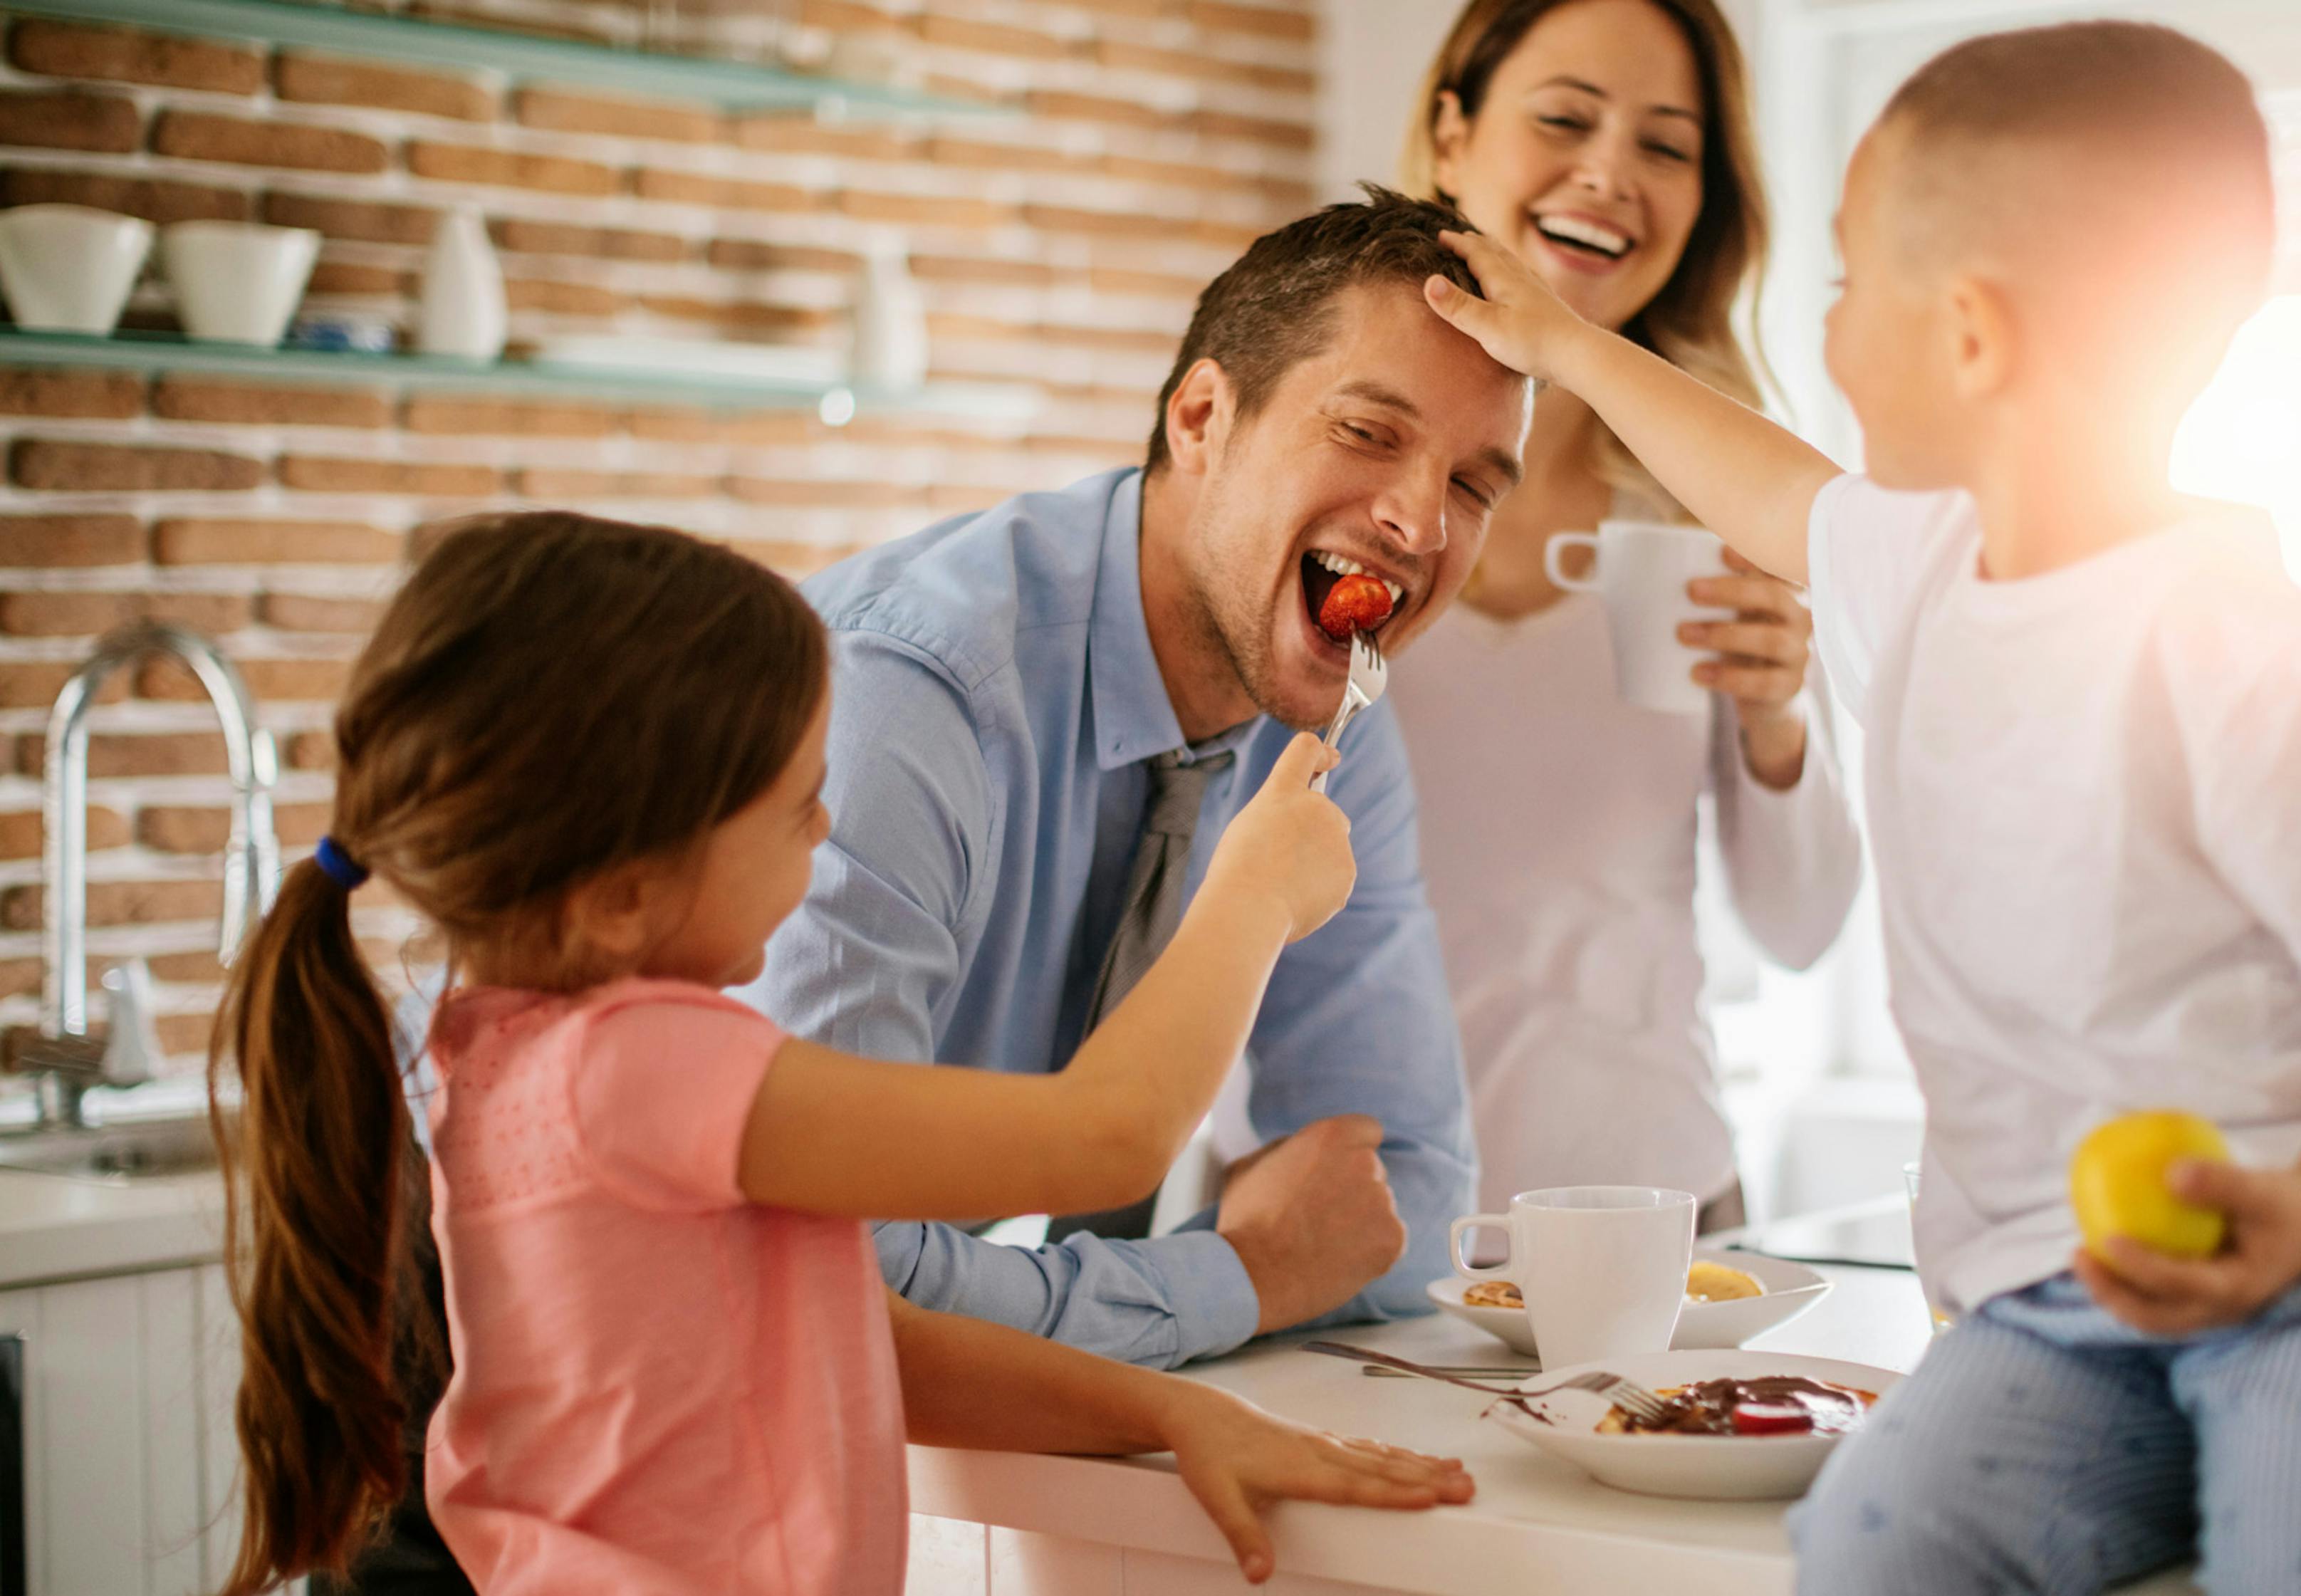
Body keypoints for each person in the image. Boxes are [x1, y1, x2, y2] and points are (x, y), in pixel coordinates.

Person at [1422, 21, 2301, 1594]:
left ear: (1966, 336)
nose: (1820, 336)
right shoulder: (1925, 571)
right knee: (1880, 1539)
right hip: (2054, 1302)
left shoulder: (2242, 648)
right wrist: (1559, 345)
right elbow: (1745, 470)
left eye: (1841, 287)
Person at [209, 512, 1474, 1596]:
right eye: (795, 800)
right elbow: (1112, 1129)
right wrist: (1249, 893)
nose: (827, 824)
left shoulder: (500, 1058)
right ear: (621, 893)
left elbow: (854, 1329)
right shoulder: (649, 1067)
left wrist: (1175, 1412)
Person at [739, 191, 1525, 1365]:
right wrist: (1235, 1276)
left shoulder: (1334, 724)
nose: (1420, 521)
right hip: (468, 1359)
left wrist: (1243, 1272)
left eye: (1473, 485)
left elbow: (1394, 1192)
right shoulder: (903, 694)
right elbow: (832, 1270)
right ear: (1203, 418)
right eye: (1369, 432)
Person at [1387, 0, 1862, 1223]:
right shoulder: (1327, 477)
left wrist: (1776, 717)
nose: (1610, 173)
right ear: (1452, 135)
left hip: (1661, 1219)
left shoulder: (1715, 504)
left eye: (1666, 144)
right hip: (1345, 1226)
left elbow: (1803, 928)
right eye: (1562, 117)